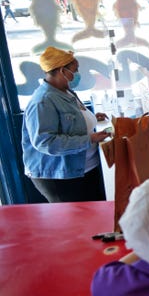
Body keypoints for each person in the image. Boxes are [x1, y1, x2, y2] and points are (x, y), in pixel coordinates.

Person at [21, 46, 110, 202]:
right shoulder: (43, 101)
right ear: (62, 70)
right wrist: (90, 139)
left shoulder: (64, 90)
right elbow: (46, 143)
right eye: (75, 70)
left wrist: (90, 118)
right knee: (78, 216)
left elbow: (68, 119)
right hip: (61, 177)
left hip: (85, 168)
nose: (77, 74)